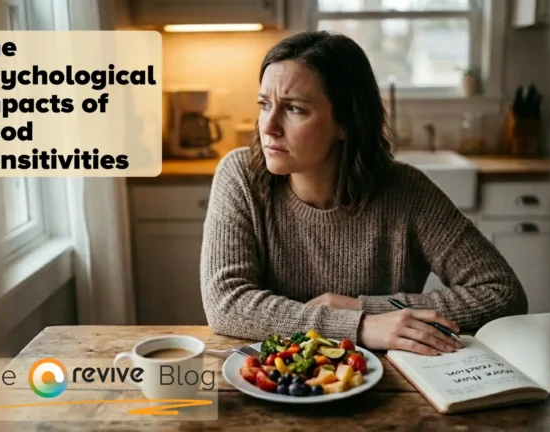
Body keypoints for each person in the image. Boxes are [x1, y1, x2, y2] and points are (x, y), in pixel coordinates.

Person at [199, 31, 527, 356]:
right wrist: (360, 324)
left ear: (346, 122)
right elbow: (226, 303)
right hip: (270, 380)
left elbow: (503, 293)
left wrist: (362, 305)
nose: (267, 126)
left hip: (388, 386)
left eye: (294, 109)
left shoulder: (408, 192)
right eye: (264, 104)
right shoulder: (241, 175)